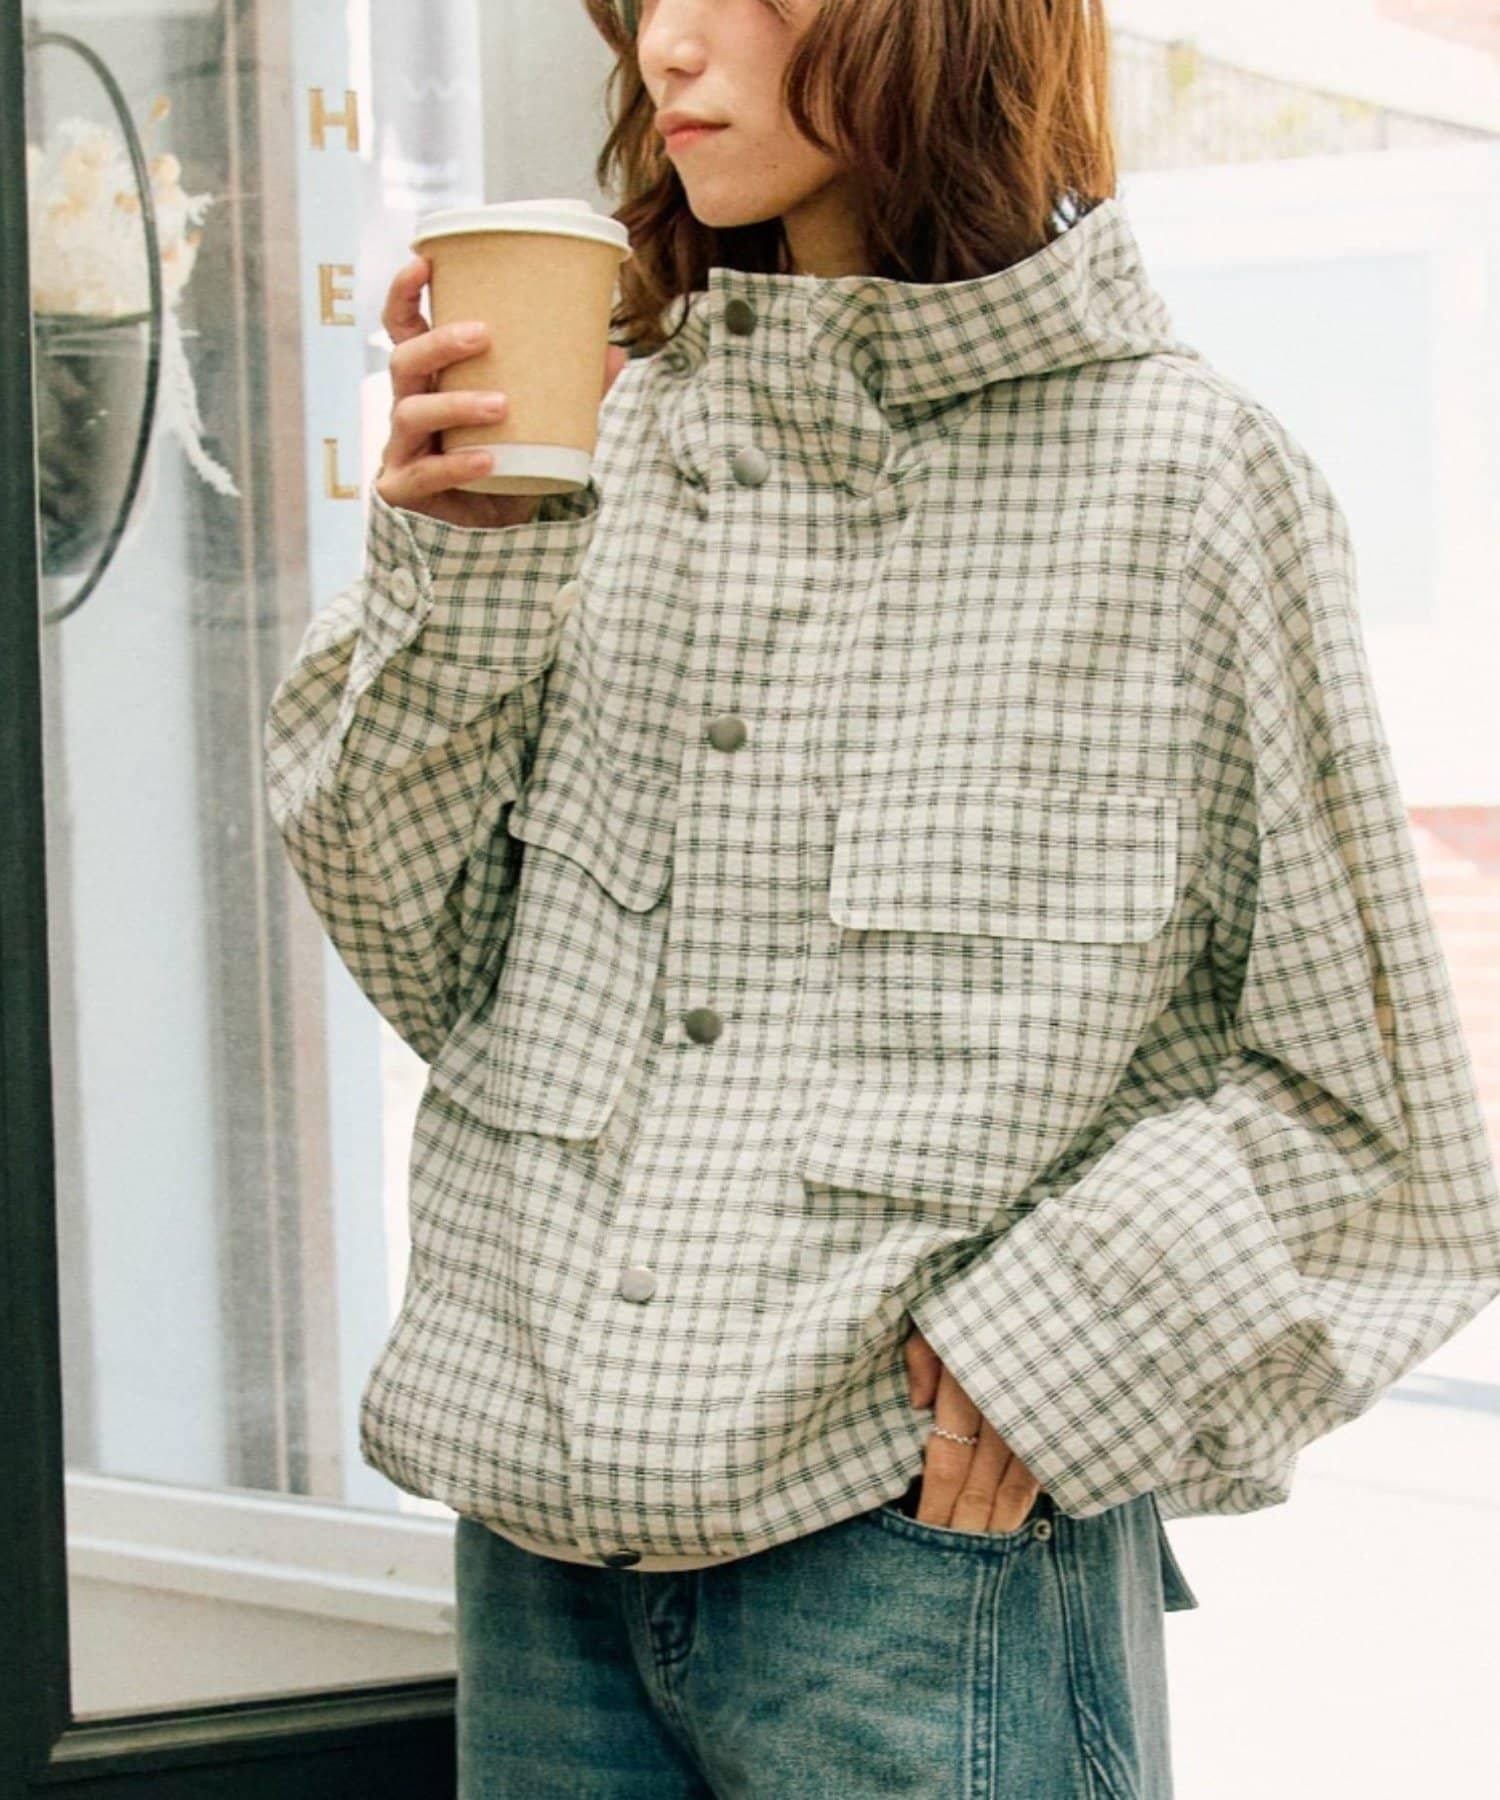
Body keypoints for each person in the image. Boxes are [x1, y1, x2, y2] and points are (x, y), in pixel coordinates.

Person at [263, 1, 1500, 1794]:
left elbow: (1375, 1122)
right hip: (539, 1563)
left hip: (918, 1558)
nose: (669, 49)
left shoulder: (1183, 485)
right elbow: (429, 956)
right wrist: (458, 569)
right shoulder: (604, 444)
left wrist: (1065, 1338)